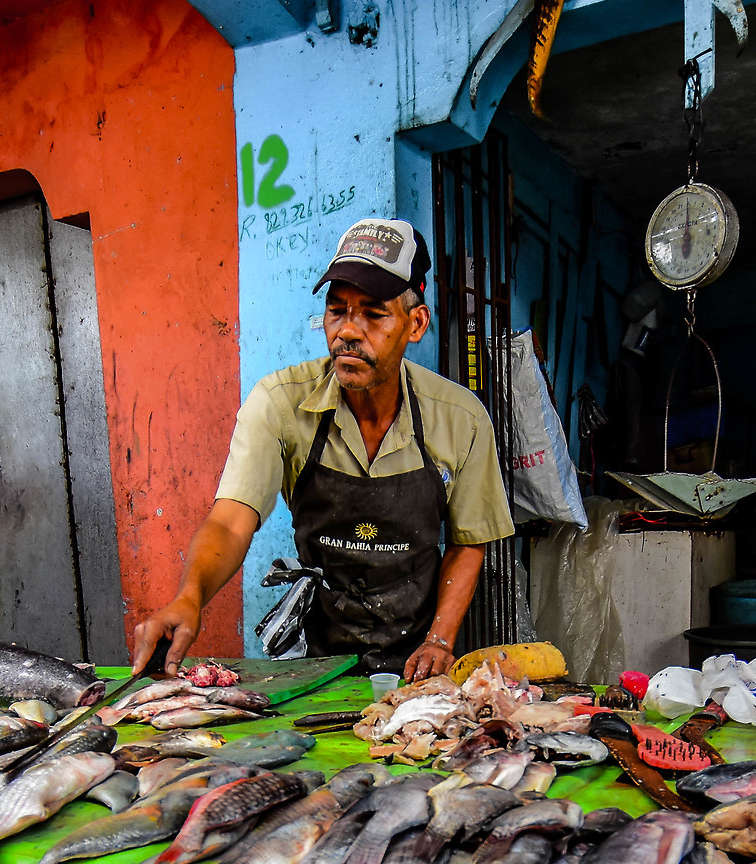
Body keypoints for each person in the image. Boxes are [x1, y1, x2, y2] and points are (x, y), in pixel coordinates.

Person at [130, 217, 514, 681]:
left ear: (415, 323)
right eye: (337, 311)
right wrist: (189, 597)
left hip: (421, 657)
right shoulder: (280, 403)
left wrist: (440, 639)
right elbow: (231, 520)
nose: (349, 331)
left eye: (373, 314)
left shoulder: (461, 418)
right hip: (317, 651)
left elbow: (468, 543)